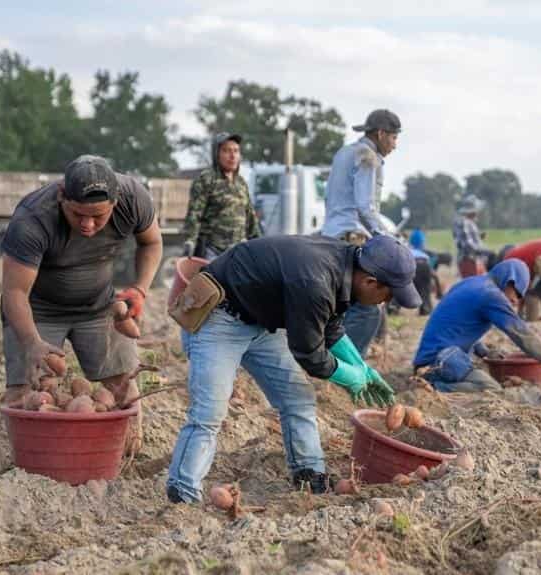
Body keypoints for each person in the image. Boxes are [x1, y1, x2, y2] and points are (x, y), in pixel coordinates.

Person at [166, 235, 421, 501]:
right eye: (388, 295)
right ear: (370, 281)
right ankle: (183, 494)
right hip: (220, 317)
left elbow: (331, 327)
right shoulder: (316, 280)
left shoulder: (346, 266)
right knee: (209, 412)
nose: (384, 303)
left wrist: (362, 368)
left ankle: (310, 476)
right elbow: (310, 354)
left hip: (262, 322)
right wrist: (351, 376)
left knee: (298, 399)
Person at [1, 155, 162, 449]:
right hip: (37, 311)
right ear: (62, 196)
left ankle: (125, 453)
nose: (88, 225)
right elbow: (14, 292)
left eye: (98, 216)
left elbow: (151, 242)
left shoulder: (133, 198)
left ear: (115, 202)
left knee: (124, 388)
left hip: (99, 307)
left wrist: (140, 289)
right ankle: (29, 458)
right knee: (27, 393)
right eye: (78, 214)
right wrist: (31, 343)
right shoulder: (33, 219)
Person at [412, 259, 541, 393]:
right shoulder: (491, 295)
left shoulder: (472, 283)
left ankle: (431, 381)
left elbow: (460, 326)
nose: (515, 301)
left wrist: (484, 351)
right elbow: (521, 333)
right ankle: (434, 387)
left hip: (435, 358)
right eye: (517, 293)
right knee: (490, 388)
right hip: (438, 362)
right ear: (509, 280)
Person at [320, 109, 402, 354]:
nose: (395, 145)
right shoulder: (368, 157)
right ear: (381, 134)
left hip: (332, 236)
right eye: (394, 137)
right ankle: (347, 365)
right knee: (367, 308)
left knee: (342, 306)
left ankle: (332, 359)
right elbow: (365, 208)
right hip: (352, 238)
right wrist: (388, 240)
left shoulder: (344, 153)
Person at [181, 133, 259, 259]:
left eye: (236, 151)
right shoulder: (206, 180)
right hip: (212, 251)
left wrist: (257, 241)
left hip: (238, 251)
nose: (232, 156)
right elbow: (194, 215)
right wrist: (190, 242)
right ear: (217, 154)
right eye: (227, 151)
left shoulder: (241, 183)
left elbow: (250, 216)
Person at [453, 195, 491, 277]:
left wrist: (479, 237)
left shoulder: (469, 222)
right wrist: (485, 250)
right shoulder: (464, 222)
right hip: (469, 260)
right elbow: (467, 245)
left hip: (475, 259)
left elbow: (468, 239)